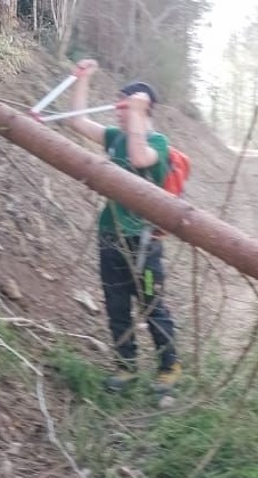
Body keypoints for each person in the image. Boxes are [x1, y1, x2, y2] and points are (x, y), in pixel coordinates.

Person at [66, 60, 181, 395]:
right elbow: (77, 122)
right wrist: (82, 80)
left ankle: (169, 365)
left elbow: (139, 158)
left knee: (151, 305)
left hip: (143, 242)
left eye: (124, 106)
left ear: (143, 109)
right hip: (110, 236)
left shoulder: (157, 143)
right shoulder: (115, 136)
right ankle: (126, 366)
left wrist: (136, 113)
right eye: (118, 106)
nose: (118, 112)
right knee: (116, 304)